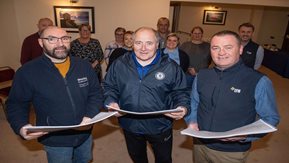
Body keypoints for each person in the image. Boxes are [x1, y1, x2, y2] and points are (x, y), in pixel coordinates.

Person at [6, 26, 103, 163]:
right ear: (41, 42)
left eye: (64, 38)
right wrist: (21, 125)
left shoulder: (84, 66)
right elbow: (16, 103)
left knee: (85, 159)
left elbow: (96, 93)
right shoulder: (27, 72)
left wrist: (89, 115)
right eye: (52, 39)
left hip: (84, 132)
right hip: (55, 139)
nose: (60, 44)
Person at [185, 30, 280, 163]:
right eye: (215, 48)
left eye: (228, 47)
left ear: (240, 49)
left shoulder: (259, 80)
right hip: (199, 144)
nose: (221, 52)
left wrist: (246, 136)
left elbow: (271, 118)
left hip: (231, 152)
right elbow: (194, 103)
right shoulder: (202, 75)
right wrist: (192, 121)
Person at [104, 27, 190, 163]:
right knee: (137, 158)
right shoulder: (119, 64)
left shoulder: (171, 67)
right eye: (138, 43)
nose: (143, 48)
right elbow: (109, 87)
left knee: (164, 159)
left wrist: (182, 106)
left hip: (159, 125)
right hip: (129, 124)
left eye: (149, 43)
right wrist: (111, 101)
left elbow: (180, 92)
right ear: (132, 43)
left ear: (157, 44)